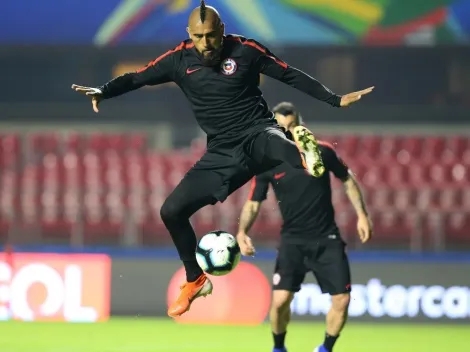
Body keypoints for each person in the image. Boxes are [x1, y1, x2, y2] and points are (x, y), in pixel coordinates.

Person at [71, 1, 374, 318]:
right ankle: (196, 279)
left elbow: (289, 75)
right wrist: (104, 91)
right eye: (199, 36)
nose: (206, 44)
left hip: (258, 132)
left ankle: (304, 153)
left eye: (212, 36)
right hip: (221, 153)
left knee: (276, 143)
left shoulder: (245, 50)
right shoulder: (178, 60)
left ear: (222, 31)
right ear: (189, 34)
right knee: (171, 211)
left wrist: (334, 99)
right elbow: (138, 77)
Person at [236, 102, 372, 352]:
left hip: (327, 238)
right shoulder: (268, 163)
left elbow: (347, 180)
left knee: (342, 300)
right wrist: (242, 232)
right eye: (282, 128)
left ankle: (325, 349)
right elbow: (253, 203)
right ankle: (279, 348)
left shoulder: (323, 152)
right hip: (293, 241)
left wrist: (362, 215)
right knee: (279, 302)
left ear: (301, 124)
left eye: (292, 125)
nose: (288, 131)